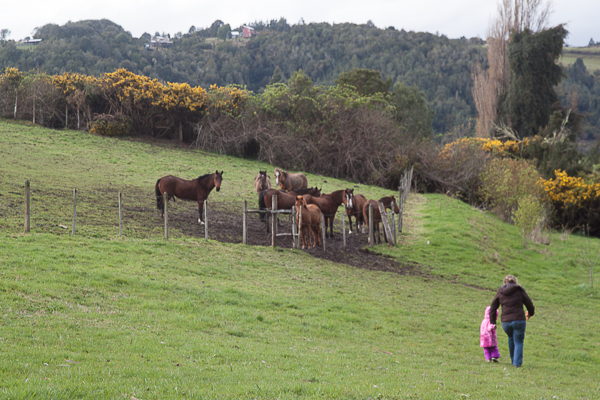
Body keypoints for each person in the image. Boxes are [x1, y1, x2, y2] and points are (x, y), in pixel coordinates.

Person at [489, 275, 535, 368]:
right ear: (515, 282)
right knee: (518, 341)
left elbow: (493, 307)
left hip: (505, 322)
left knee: (511, 338)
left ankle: (513, 360)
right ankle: (517, 364)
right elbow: (529, 303)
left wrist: (493, 322)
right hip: (518, 320)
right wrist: (530, 313)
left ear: (504, 283)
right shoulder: (519, 290)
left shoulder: (500, 291)